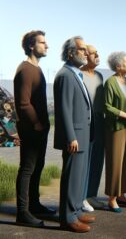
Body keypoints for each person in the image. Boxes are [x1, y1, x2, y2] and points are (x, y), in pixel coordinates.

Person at [53, 36, 96, 233]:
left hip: (83, 134)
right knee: (71, 177)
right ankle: (68, 218)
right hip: (75, 137)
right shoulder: (65, 75)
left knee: (79, 176)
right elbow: (64, 109)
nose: (86, 53)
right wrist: (71, 137)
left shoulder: (75, 74)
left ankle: (77, 210)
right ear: (70, 53)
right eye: (82, 50)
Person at [14, 30, 55, 227]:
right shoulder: (25, 70)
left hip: (40, 128)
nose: (47, 46)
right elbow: (22, 104)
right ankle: (22, 213)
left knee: (38, 167)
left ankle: (35, 205)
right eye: (42, 43)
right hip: (32, 129)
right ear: (31, 46)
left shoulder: (36, 69)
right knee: (27, 168)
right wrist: (37, 123)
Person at [104, 51, 126, 213]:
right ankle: (112, 199)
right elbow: (107, 105)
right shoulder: (110, 83)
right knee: (115, 163)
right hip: (116, 128)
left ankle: (122, 195)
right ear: (118, 66)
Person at [81, 45, 105, 211]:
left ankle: (92, 195)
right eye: (94, 53)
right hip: (84, 120)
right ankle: (81, 197)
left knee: (97, 158)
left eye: (98, 53)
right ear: (85, 55)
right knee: (85, 160)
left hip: (99, 120)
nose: (97, 56)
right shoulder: (78, 74)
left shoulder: (99, 76)